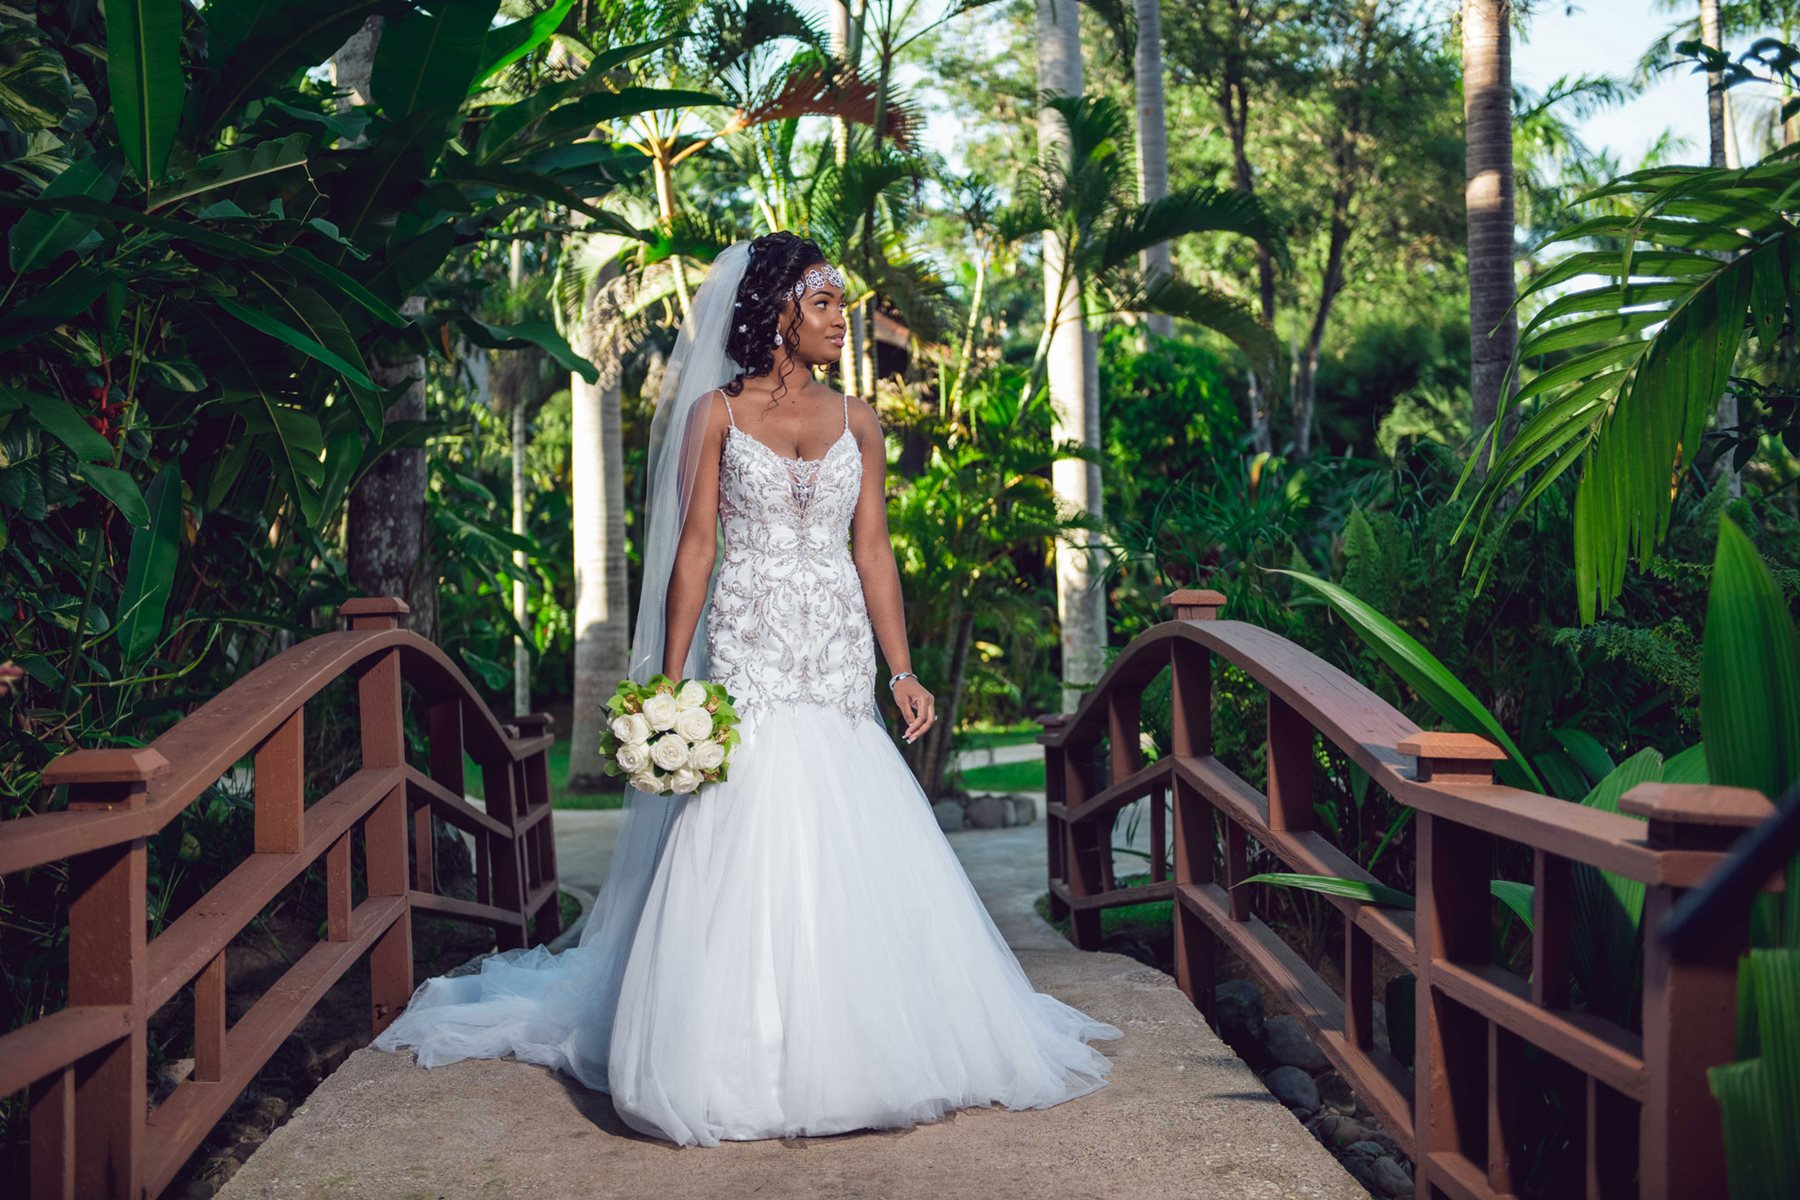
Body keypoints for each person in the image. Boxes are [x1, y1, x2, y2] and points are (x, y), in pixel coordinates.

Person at [373, 233, 1122, 1147]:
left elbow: (873, 550)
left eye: (842, 303)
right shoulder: (716, 417)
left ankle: (870, 1040)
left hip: (837, 649)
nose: (843, 320)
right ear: (777, 314)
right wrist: (669, 680)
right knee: (743, 818)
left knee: (849, 814)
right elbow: (695, 549)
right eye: (824, 304)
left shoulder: (861, 419)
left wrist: (901, 668)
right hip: (748, 644)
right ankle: (736, 1052)